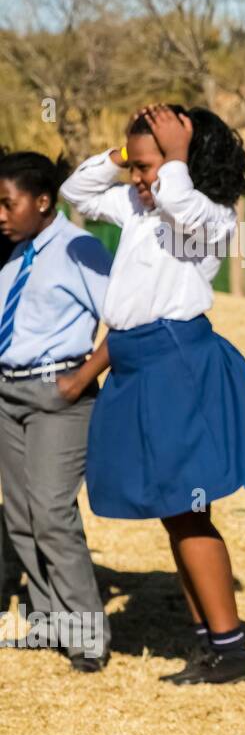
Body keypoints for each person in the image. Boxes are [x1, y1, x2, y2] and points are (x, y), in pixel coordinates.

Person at [60, 103, 245, 685]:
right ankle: (208, 641)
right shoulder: (143, 207)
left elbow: (184, 204)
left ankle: (231, 647)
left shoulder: (209, 214)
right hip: (137, 362)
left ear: (184, 162)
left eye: (149, 168)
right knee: (175, 512)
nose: (139, 180)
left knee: (189, 507)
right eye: (135, 170)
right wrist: (129, 154)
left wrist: (172, 159)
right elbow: (77, 188)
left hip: (176, 360)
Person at [0, 151, 113, 671]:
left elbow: (124, 318)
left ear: (43, 201)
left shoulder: (79, 248)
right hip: (8, 394)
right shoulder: (11, 253)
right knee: (20, 515)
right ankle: (49, 622)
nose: (0, 214)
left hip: (57, 397)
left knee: (52, 513)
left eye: (8, 203)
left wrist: (81, 380)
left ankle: (87, 635)